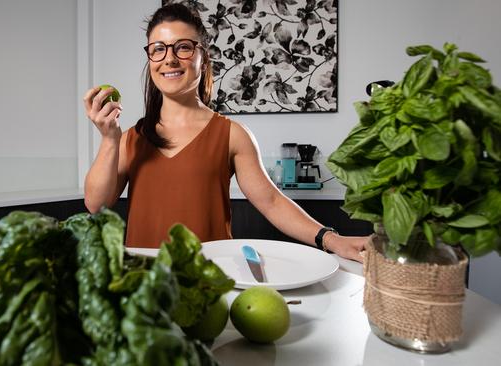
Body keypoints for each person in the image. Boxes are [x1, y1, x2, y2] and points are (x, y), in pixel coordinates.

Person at [82, 3, 367, 262]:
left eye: (182, 47)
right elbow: (97, 205)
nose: (169, 59)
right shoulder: (131, 137)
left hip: (210, 280)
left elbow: (271, 201)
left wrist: (331, 239)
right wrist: (109, 139)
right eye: (158, 48)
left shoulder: (232, 134)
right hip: (143, 280)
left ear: (203, 58)